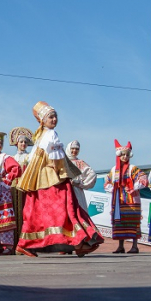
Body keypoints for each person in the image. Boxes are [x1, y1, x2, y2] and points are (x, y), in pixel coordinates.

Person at [16, 101, 104, 257]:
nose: (54, 119)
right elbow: (57, 159)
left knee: (38, 212)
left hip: (39, 181)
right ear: (43, 120)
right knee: (66, 209)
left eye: (55, 116)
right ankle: (79, 242)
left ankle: (27, 243)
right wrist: (64, 175)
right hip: (53, 179)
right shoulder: (50, 134)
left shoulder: (40, 136)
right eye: (51, 117)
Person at [104, 140, 148, 254]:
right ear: (118, 155)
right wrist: (113, 189)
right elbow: (107, 182)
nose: (125, 157)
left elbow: (144, 179)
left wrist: (134, 187)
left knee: (133, 221)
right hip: (118, 199)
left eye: (127, 155)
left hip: (131, 199)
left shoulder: (133, 168)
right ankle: (121, 246)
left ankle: (134, 246)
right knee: (119, 222)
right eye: (123, 154)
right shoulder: (114, 170)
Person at [9, 127, 33, 253]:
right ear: (16, 143)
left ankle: (25, 244)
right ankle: (14, 244)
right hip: (14, 188)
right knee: (15, 216)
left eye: (25, 142)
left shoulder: (30, 158)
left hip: (26, 189)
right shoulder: (11, 158)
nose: (23, 144)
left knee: (25, 215)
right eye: (21, 142)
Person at [65, 140, 97, 211]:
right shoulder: (62, 161)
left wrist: (80, 183)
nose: (74, 150)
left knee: (78, 210)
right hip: (64, 190)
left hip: (76, 191)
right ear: (68, 149)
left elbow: (92, 174)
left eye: (77, 149)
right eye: (72, 148)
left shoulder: (80, 163)